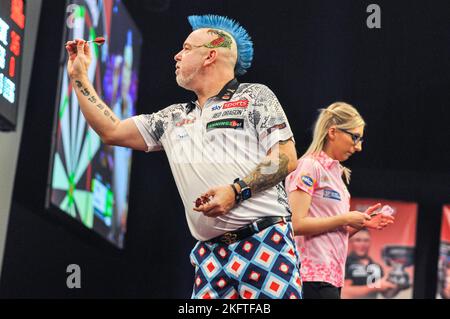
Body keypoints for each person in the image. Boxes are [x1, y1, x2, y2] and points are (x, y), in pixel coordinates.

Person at [65, 14, 302, 299]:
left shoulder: (255, 96)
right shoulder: (173, 117)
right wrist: (79, 77)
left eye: (187, 48)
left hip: (265, 241)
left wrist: (235, 191)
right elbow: (112, 131)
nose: (177, 56)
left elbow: (286, 158)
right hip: (209, 256)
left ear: (210, 56)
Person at [285, 102, 395, 299]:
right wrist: (345, 219)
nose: (359, 147)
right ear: (333, 132)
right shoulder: (309, 166)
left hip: (332, 279)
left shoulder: (338, 177)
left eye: (361, 140)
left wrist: (361, 223)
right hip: (308, 277)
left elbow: (331, 234)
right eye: (355, 137)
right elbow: (294, 224)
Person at [342, 229, 398, 299]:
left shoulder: (376, 266)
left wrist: (396, 286)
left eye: (366, 240)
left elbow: (387, 295)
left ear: (370, 242)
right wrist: (374, 287)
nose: (362, 244)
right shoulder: (344, 264)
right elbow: (344, 293)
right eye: (358, 240)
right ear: (350, 242)